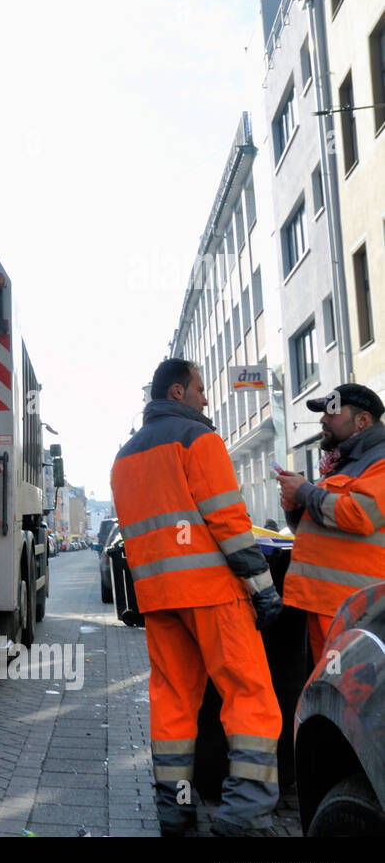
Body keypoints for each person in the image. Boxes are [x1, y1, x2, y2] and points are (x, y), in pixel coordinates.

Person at [110, 358, 283, 837]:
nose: (208, 398)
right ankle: (244, 815)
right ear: (179, 392)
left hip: (158, 599)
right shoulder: (197, 439)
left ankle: (175, 809)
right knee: (249, 695)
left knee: (173, 700)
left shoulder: (124, 457)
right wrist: (263, 587)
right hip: (211, 593)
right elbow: (227, 519)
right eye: (202, 389)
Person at [277, 383, 385, 662]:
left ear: (362, 421)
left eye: (332, 412)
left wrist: (304, 491)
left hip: (355, 605)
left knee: (350, 691)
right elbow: (317, 527)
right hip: (330, 601)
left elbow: (361, 514)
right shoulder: (343, 463)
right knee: (332, 689)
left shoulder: (380, 459)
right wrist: (295, 506)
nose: (323, 420)